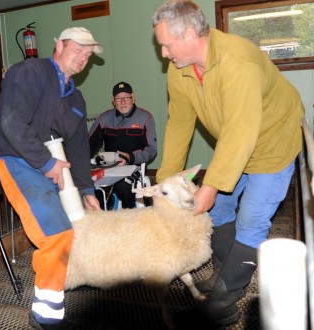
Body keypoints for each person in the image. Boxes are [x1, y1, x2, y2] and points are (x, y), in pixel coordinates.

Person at [152, 0, 304, 327]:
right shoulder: (178, 69)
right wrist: (164, 182)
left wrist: (211, 186)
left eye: (167, 45)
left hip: (272, 141)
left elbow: (241, 131)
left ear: (190, 34)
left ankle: (226, 297)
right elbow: (179, 123)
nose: (163, 53)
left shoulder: (239, 61)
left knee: (251, 216)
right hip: (236, 141)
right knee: (218, 209)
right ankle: (225, 274)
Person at [0, 27, 102, 330]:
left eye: (88, 54)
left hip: (51, 162)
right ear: (60, 45)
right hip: (17, 160)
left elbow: (79, 148)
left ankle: (51, 300)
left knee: (68, 229)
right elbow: (11, 123)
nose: (83, 57)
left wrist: (86, 189)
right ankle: (46, 318)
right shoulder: (29, 73)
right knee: (55, 235)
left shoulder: (76, 97)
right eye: (78, 49)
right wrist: (45, 163)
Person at [89, 81, 157, 209]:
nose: (123, 101)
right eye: (118, 99)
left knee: (124, 189)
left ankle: (128, 220)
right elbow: (89, 145)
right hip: (108, 169)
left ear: (133, 98)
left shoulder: (145, 118)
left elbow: (151, 150)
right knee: (90, 187)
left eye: (126, 97)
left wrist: (129, 157)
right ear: (113, 101)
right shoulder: (103, 118)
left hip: (133, 169)